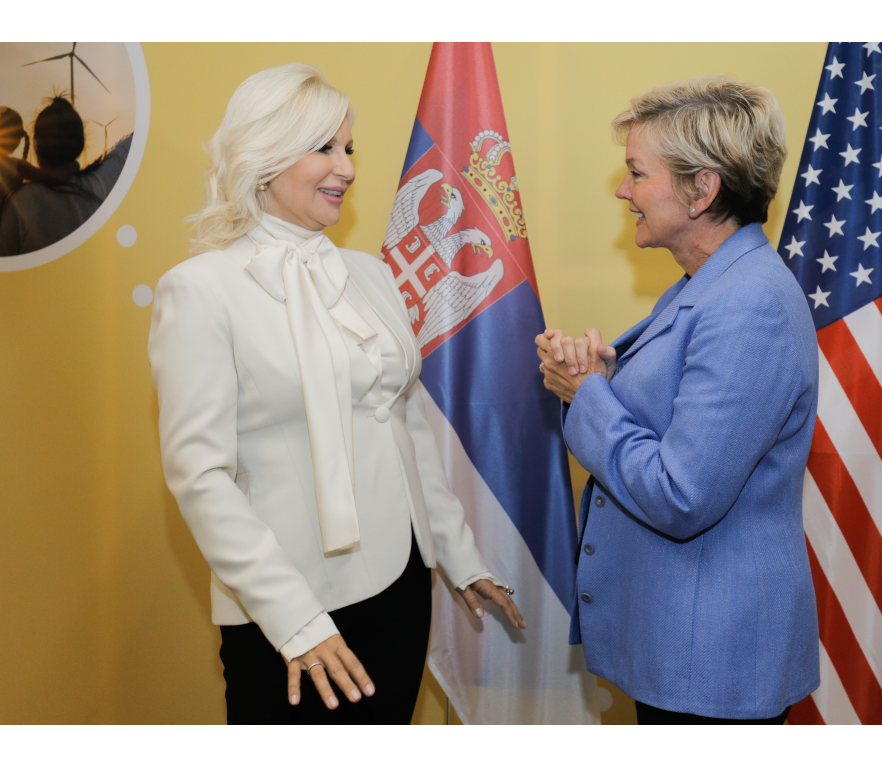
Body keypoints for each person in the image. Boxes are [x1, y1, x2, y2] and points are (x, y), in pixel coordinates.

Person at [148, 63, 524, 725]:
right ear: (265, 154)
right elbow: (200, 477)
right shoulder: (199, 289)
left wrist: (460, 555)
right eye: (324, 147)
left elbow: (404, 425)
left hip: (402, 589)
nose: (347, 168)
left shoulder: (372, 274)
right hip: (288, 611)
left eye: (349, 148)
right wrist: (296, 620)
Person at [536, 76, 819, 725]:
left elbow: (682, 494)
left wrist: (590, 396)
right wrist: (602, 378)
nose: (623, 190)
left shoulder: (747, 304)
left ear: (702, 189)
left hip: (711, 664)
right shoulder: (709, 284)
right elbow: (675, 417)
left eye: (638, 173)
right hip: (683, 649)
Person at [0, 97, 131, 256]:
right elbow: (128, 149)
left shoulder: (22, 202)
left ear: (37, 145)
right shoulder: (98, 186)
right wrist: (74, 166)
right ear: (79, 144)